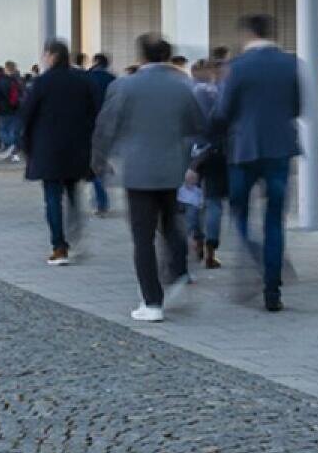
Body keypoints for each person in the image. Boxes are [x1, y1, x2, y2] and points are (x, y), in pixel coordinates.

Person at [93, 34, 205, 321]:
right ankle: (179, 273)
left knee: (142, 237)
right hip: (172, 167)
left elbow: (107, 126)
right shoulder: (183, 86)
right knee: (171, 223)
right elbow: (196, 125)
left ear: (141, 55)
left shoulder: (125, 86)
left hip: (138, 169)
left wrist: (99, 160)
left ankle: (152, 301)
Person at [210, 13, 301, 312]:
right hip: (280, 148)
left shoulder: (237, 67)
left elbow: (223, 111)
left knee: (238, 213)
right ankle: (272, 288)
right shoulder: (291, 64)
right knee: (275, 219)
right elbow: (298, 106)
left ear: (247, 33)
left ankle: (257, 258)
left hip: (244, 149)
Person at [18, 39, 102, 266]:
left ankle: (59, 246)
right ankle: (75, 232)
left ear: (53, 56)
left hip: (48, 150)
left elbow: (27, 115)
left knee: (53, 198)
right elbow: (97, 112)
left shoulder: (43, 83)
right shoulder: (84, 81)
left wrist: (26, 147)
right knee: (73, 194)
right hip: (77, 148)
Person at [188, 60, 229, 269]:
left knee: (193, 198)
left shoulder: (190, 92)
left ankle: (197, 240)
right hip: (218, 151)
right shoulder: (222, 92)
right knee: (214, 201)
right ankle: (211, 251)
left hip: (193, 151)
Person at [83, 54, 118, 215]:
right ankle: (100, 197)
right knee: (100, 161)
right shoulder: (113, 79)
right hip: (109, 125)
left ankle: (100, 201)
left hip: (90, 125)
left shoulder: (87, 78)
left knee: (95, 164)